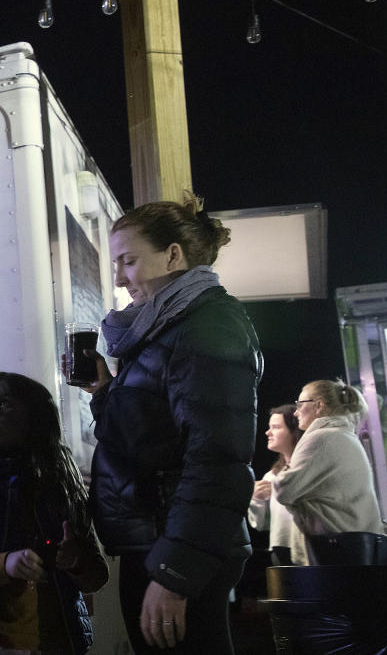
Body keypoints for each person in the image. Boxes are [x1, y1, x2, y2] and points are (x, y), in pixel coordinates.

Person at [81, 197, 262, 653]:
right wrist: (105, 393)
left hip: (174, 546)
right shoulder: (167, 326)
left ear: (173, 255)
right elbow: (151, 440)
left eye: (128, 261)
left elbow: (216, 460)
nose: (121, 277)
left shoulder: (206, 326)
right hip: (159, 540)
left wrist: (175, 574)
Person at [0, 372, 109, 655]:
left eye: (5, 404)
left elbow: (97, 576)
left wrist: (75, 561)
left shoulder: (62, 484)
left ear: (35, 418)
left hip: (57, 643)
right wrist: (2, 565)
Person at [272, 379, 383, 564]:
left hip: (332, 549)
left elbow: (284, 491)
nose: (296, 411)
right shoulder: (344, 435)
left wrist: (280, 480)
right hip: (355, 545)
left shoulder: (321, 438)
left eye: (300, 404)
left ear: (319, 406)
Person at [249, 405, 305, 565]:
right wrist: (256, 499)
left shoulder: (310, 469)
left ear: (294, 432)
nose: (268, 432)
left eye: (276, 427)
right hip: (280, 547)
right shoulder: (271, 476)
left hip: (308, 546)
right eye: (269, 427)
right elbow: (261, 524)